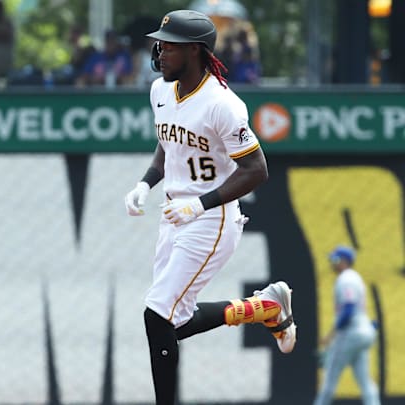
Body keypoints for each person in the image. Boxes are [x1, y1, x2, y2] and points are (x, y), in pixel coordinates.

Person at [123, 10, 297, 405]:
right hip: (174, 214)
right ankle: (264, 307)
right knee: (175, 322)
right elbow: (169, 146)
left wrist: (199, 206)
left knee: (156, 314)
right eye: (161, 44)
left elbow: (256, 170)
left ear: (195, 51)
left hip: (212, 218)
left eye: (170, 46)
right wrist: (145, 184)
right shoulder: (160, 91)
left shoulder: (222, 104)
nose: (160, 52)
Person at [313, 246, 380, 405]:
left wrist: (330, 336)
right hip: (364, 333)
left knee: (329, 378)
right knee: (365, 381)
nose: (332, 263)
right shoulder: (355, 277)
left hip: (351, 333)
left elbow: (348, 310)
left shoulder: (346, 279)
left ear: (344, 261)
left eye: (335, 259)